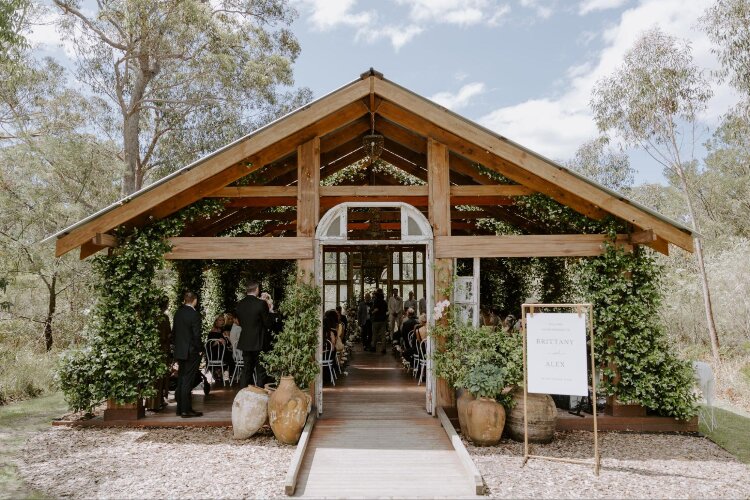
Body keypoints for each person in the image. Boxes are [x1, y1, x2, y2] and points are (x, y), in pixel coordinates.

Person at [235, 282, 272, 388]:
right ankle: (260, 395)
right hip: (259, 341)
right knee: (260, 371)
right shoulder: (261, 303)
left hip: (245, 341)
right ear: (257, 290)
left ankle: (243, 395)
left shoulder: (240, 304)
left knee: (246, 370)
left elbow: (241, 322)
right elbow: (267, 323)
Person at [173, 291, 203, 418]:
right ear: (194, 300)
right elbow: (196, 335)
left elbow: (174, 332)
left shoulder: (178, 313)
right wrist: (200, 349)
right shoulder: (194, 315)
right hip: (191, 352)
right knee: (187, 381)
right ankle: (185, 410)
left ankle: (180, 409)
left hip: (180, 351)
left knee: (181, 380)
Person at [146, 296, 172, 411]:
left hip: (152, 350)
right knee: (160, 377)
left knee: (152, 377)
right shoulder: (164, 318)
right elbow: (168, 334)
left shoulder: (150, 317)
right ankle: (157, 403)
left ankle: (151, 402)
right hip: (162, 350)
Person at [370, 289, 388, 354]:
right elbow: (386, 311)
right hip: (383, 320)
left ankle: (373, 347)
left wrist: (371, 312)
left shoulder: (376, 301)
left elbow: (376, 309)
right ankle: (383, 349)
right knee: (383, 335)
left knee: (374, 334)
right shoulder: (384, 302)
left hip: (376, 320)